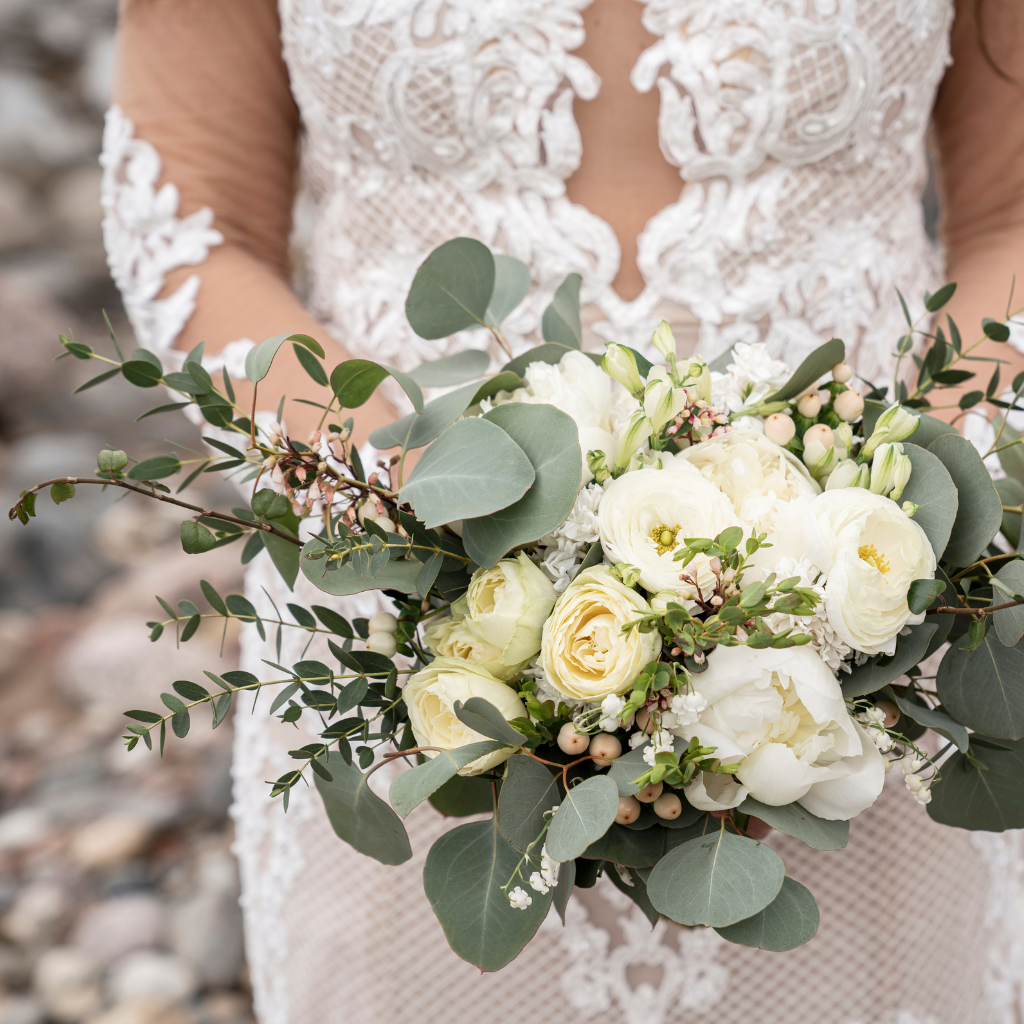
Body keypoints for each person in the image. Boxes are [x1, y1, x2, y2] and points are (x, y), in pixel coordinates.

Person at [102, 1, 1024, 1022]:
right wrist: (415, 540)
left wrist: (891, 546)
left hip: (873, 676)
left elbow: (1011, 216)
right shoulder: (405, 579)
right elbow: (191, 227)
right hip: (410, 668)